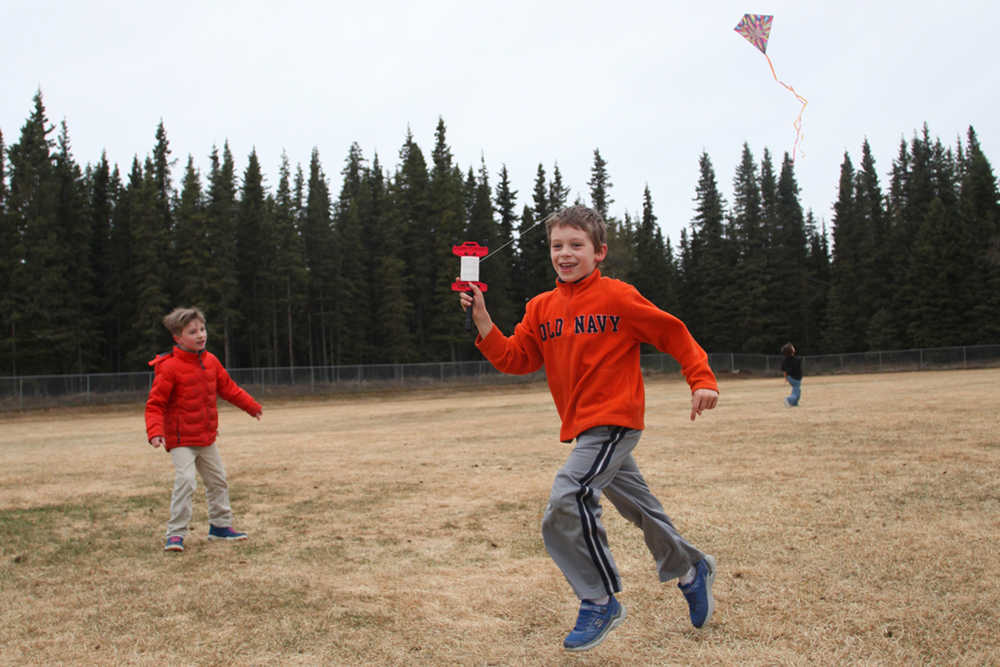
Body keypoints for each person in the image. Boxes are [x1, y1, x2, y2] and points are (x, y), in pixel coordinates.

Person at [459, 205, 720, 652]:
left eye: (576, 245)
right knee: (641, 509)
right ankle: (692, 569)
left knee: (568, 496)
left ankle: (598, 599)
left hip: (615, 421)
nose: (565, 254)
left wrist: (702, 379)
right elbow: (515, 358)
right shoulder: (541, 308)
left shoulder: (619, 298)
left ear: (598, 252)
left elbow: (672, 333)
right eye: (557, 246)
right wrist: (482, 316)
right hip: (585, 429)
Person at [145, 307, 262, 552]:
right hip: (180, 440)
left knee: (218, 481)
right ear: (178, 338)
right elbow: (155, 404)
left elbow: (229, 389)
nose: (200, 335)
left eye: (202, 329)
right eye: (193, 332)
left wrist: (251, 406)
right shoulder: (169, 367)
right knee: (186, 482)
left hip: (206, 437)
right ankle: (175, 535)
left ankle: (220, 526)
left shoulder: (211, 362)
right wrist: (155, 431)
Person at [781, 342, 803, 407]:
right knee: (796, 391)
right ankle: (788, 400)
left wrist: (786, 378)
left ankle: (794, 403)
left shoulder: (784, 360)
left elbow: (784, 371)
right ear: (792, 351)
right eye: (792, 347)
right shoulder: (797, 359)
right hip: (796, 378)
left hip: (789, 377)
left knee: (797, 390)